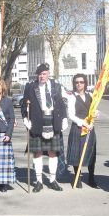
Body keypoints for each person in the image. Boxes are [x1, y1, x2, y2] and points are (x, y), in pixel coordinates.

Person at [21, 63, 69, 192]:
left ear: (48, 73)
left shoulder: (56, 86)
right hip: (37, 120)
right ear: (37, 75)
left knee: (53, 152)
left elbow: (62, 103)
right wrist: (25, 118)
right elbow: (23, 103)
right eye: (40, 74)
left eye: (44, 74)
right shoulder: (30, 87)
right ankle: (39, 181)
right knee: (38, 152)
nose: (42, 76)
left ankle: (53, 180)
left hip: (53, 120)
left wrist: (64, 118)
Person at [66, 73, 98, 188]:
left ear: (85, 83)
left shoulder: (91, 95)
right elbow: (71, 115)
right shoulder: (71, 96)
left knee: (91, 153)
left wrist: (95, 115)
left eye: (81, 82)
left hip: (90, 129)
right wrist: (84, 123)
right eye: (77, 82)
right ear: (74, 84)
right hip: (78, 128)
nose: (79, 84)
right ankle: (77, 176)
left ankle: (91, 177)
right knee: (77, 154)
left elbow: (94, 111)